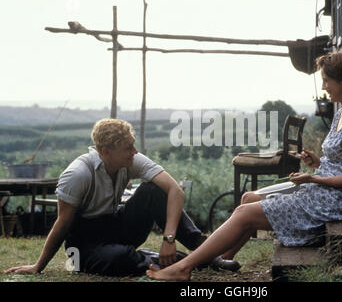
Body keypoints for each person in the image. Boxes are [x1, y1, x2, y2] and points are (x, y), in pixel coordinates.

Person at [146, 52, 342, 281]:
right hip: (320, 193)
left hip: (332, 203)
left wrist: (314, 179)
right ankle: (219, 260)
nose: (323, 87)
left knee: (243, 213)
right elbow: (340, 164)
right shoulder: (341, 113)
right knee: (248, 199)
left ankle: (183, 268)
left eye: (327, 80)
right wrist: (317, 163)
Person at [4, 118, 237, 276]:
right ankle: (176, 261)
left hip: (117, 225)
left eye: (133, 145)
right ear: (105, 152)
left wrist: (168, 238)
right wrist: (38, 266)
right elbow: (63, 223)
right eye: (128, 148)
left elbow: (175, 190)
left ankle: (208, 255)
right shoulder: (78, 174)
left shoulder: (130, 159)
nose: (134, 152)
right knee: (119, 259)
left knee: (154, 190)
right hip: (85, 242)